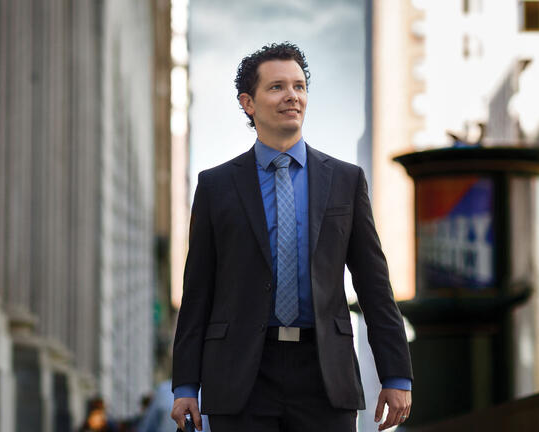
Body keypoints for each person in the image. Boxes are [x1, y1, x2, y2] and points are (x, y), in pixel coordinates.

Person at [171, 42, 412, 432]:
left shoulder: (345, 181)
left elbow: (374, 284)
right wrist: (185, 385)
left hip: (324, 372)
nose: (292, 96)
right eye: (277, 87)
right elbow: (198, 290)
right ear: (248, 103)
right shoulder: (216, 186)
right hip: (240, 375)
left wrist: (396, 375)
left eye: (299, 86)